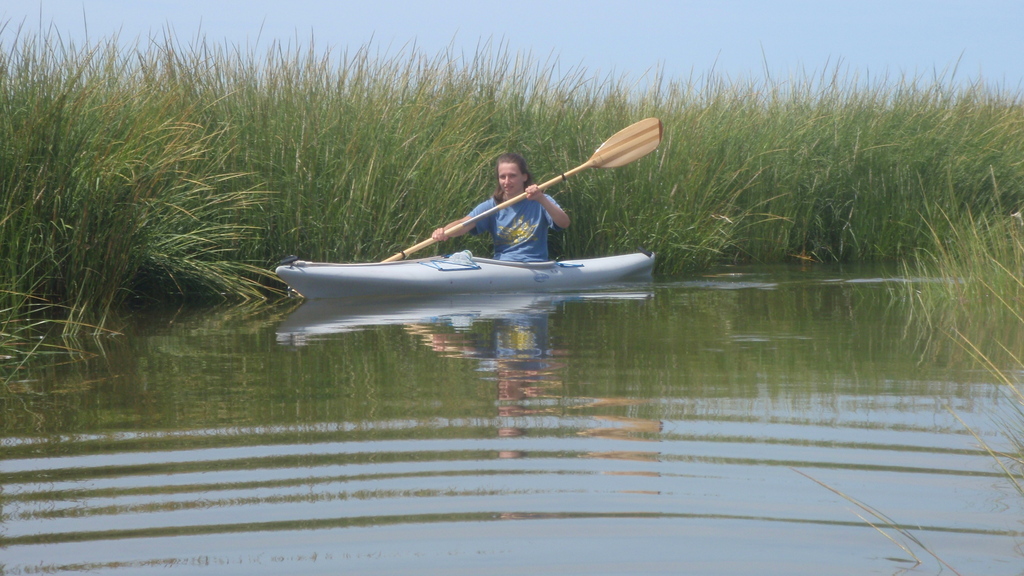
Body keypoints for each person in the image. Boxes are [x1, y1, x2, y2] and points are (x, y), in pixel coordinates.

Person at [431, 153, 570, 262]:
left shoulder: (541, 200)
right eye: (502, 177)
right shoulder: (492, 206)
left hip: (535, 264)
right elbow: (464, 224)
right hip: (503, 265)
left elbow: (564, 223)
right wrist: (445, 231)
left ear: (524, 177)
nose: (507, 182)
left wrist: (541, 198)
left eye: (512, 176)